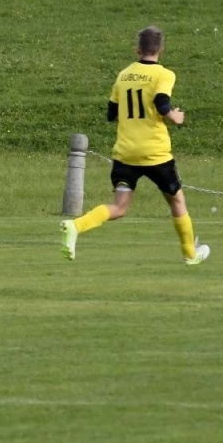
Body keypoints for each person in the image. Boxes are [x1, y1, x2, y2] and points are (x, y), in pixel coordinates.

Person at [60, 26, 210, 266]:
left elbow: (111, 113)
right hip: (155, 154)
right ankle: (190, 255)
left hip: (125, 154)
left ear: (137, 50)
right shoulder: (164, 74)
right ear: (161, 50)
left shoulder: (123, 75)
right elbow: (161, 102)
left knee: (119, 207)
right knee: (177, 202)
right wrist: (173, 116)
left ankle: (76, 226)